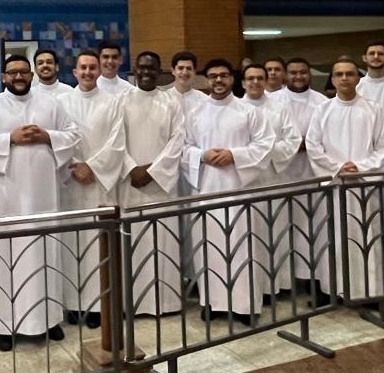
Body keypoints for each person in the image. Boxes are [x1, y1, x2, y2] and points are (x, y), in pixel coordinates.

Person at [0, 54, 80, 351]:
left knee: (45, 254)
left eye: (23, 72)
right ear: (3, 77)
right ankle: (4, 325)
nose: (18, 77)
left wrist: (47, 135)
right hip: (5, 201)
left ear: (31, 76)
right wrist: (9, 139)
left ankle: (49, 319)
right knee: (7, 260)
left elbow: (73, 135)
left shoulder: (51, 104)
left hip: (43, 198)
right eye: (12, 72)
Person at [182, 59, 275, 326]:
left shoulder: (249, 111)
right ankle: (213, 302)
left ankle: (245, 306)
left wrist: (234, 155)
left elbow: (265, 145)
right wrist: (203, 155)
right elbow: (184, 148)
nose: (219, 80)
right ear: (206, 80)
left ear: (232, 79)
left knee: (242, 246)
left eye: (223, 75)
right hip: (207, 193)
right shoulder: (196, 113)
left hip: (240, 191)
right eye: (213, 76)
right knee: (209, 247)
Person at [306, 59, 384, 308]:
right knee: (332, 238)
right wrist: (337, 168)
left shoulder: (374, 110)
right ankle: (332, 290)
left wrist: (361, 168)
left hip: (363, 188)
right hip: (334, 187)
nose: (344, 78)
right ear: (332, 80)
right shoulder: (322, 111)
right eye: (339, 74)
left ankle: (370, 292)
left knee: (367, 238)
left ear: (358, 78)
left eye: (350, 74)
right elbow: (314, 146)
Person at [57, 51, 126, 329]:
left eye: (92, 67)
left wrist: (93, 167)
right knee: (73, 242)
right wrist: (74, 165)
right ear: (74, 72)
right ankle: (73, 304)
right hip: (71, 184)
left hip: (99, 185)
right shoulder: (60, 103)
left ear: (99, 71)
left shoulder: (113, 103)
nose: (87, 72)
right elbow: (58, 139)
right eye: (82, 67)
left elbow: (117, 143)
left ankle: (99, 305)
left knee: (98, 243)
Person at [118, 51, 186, 316]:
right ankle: (132, 302)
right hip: (130, 184)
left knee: (162, 243)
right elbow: (114, 139)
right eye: (142, 68)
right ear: (135, 69)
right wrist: (131, 168)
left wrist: (154, 171)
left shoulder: (170, 103)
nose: (146, 72)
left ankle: (165, 303)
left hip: (160, 187)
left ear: (160, 71)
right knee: (133, 244)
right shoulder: (121, 101)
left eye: (152, 68)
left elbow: (177, 140)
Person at [240, 64, 301, 298]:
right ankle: (251, 287)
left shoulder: (280, 107)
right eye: (250, 78)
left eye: (259, 78)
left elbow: (293, 139)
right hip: (246, 181)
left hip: (274, 177)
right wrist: (251, 155)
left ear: (266, 81)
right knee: (249, 234)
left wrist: (265, 153)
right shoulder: (237, 108)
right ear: (243, 83)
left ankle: (275, 286)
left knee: (275, 232)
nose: (255, 82)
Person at [281, 57, 328, 287]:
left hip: (313, 173)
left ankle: (313, 278)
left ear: (310, 74)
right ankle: (284, 280)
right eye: (293, 73)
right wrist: (292, 145)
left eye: (303, 72)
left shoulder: (323, 102)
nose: (298, 77)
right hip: (282, 174)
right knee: (283, 227)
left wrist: (308, 145)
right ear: (284, 76)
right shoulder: (274, 101)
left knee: (313, 228)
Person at [356, 41, 384, 109]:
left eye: (380, 54)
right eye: (371, 53)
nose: (376, 57)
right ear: (364, 58)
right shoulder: (356, 86)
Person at [167, 51, 207, 117]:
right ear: (173, 71)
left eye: (189, 68)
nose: (185, 72)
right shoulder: (163, 98)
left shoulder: (204, 100)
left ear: (194, 72)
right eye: (180, 68)